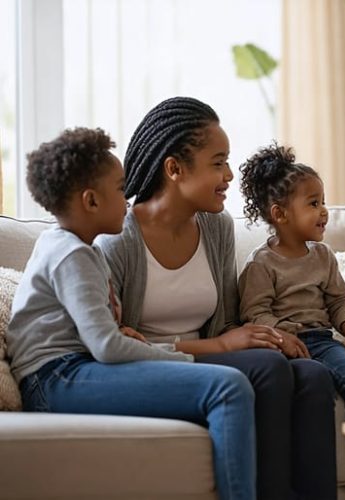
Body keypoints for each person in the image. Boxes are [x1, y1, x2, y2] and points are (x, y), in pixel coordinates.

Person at [95, 97, 337, 500]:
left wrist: (258, 335)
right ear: (174, 169)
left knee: (313, 375)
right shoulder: (118, 240)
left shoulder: (216, 227)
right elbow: (119, 344)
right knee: (269, 368)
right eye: (218, 162)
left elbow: (225, 320)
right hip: (158, 363)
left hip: (210, 352)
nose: (229, 175)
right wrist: (222, 344)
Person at [7, 128, 258, 500]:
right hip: (55, 378)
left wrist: (125, 335)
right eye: (121, 188)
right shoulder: (72, 254)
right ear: (91, 201)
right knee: (227, 386)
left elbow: (103, 333)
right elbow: (106, 347)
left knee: (223, 383)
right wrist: (180, 356)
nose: (129, 200)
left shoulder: (77, 248)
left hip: (70, 369)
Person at [237, 144, 345, 500]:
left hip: (321, 341)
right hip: (282, 346)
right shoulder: (260, 264)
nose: (324, 211)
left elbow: (338, 300)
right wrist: (283, 338)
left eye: (323, 201)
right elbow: (255, 313)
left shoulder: (323, 255)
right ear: (280, 214)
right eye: (314, 203)